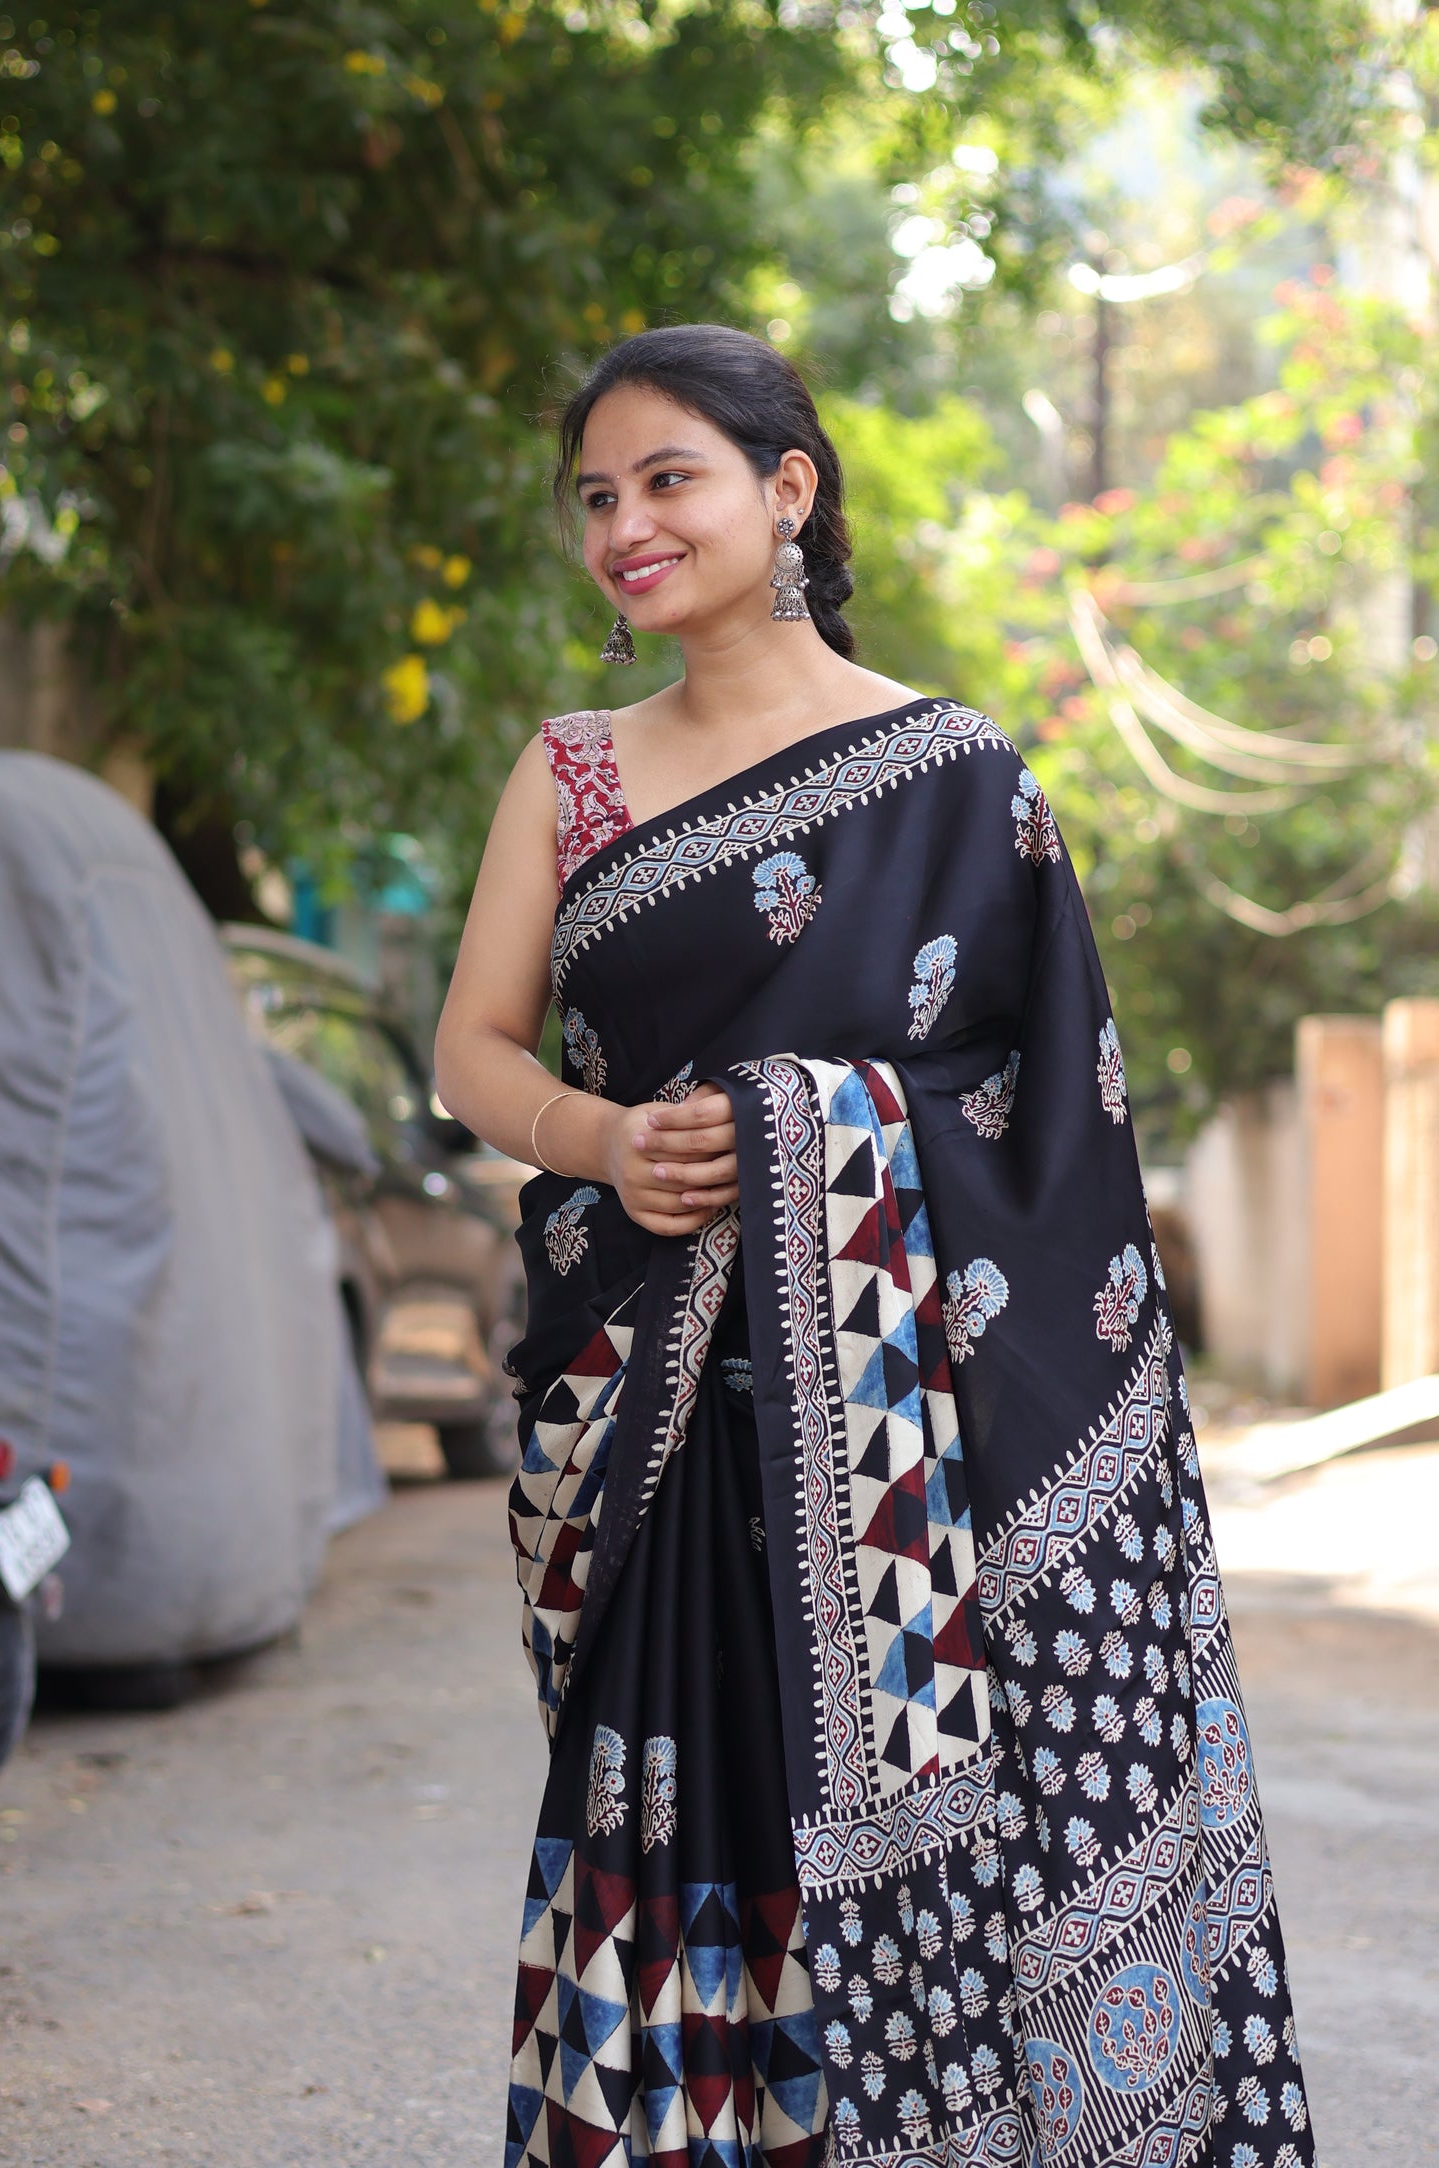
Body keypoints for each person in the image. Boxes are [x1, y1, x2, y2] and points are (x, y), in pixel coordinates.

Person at [435, 324, 1315, 2168]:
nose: (624, 527)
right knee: (679, 1823)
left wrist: (808, 1135)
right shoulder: (573, 774)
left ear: (786, 489)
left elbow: (1049, 1117)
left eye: (666, 479)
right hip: (653, 1424)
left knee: (942, 1849)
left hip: (925, 1443)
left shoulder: (955, 777)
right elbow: (473, 1054)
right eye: (595, 497)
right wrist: (609, 1142)